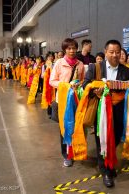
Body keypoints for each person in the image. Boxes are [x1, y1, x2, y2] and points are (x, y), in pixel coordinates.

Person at [83, 40, 129, 188]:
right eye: (111, 52)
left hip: (118, 110)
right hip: (101, 110)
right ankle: (106, 171)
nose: (115, 55)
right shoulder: (95, 67)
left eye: (118, 52)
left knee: (116, 138)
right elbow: (85, 84)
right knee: (102, 140)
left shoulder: (126, 70)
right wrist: (94, 90)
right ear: (105, 52)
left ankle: (109, 164)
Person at [50, 38, 84, 167]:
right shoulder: (59, 63)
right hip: (63, 100)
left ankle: (75, 150)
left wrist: (78, 85)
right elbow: (52, 81)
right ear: (64, 49)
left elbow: (82, 81)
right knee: (64, 128)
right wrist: (66, 85)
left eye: (74, 48)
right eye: (69, 48)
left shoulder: (80, 64)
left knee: (76, 126)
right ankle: (66, 155)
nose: (71, 51)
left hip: (77, 99)